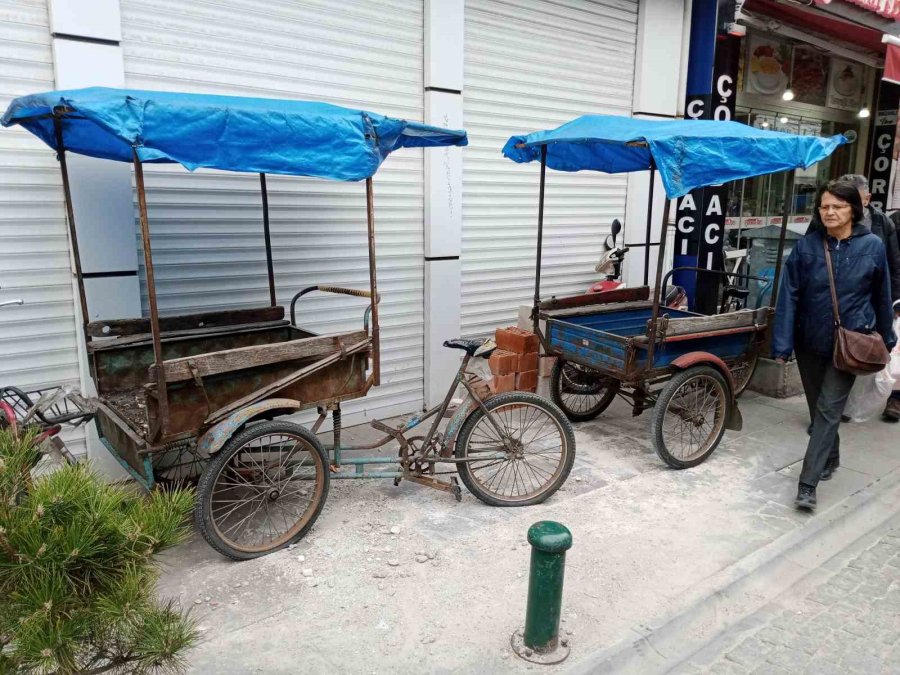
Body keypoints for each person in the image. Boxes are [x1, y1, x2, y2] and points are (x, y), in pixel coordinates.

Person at [774, 179, 895, 510]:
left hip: (851, 343)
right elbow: (789, 296)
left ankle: (807, 484)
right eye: (824, 206)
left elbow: (881, 296)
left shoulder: (871, 246)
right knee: (819, 408)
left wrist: (887, 335)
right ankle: (832, 455)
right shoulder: (807, 247)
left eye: (837, 206)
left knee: (827, 411)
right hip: (809, 341)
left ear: (853, 211)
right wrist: (782, 344)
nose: (829, 212)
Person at [807, 174, 900, 425]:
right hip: (830, 304)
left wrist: (894, 302)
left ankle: (886, 399)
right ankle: (835, 412)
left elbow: (892, 266)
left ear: (866, 200)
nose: (836, 210)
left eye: (848, 202)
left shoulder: (882, 224)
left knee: (858, 354)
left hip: (865, 304)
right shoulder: (821, 224)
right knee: (840, 357)